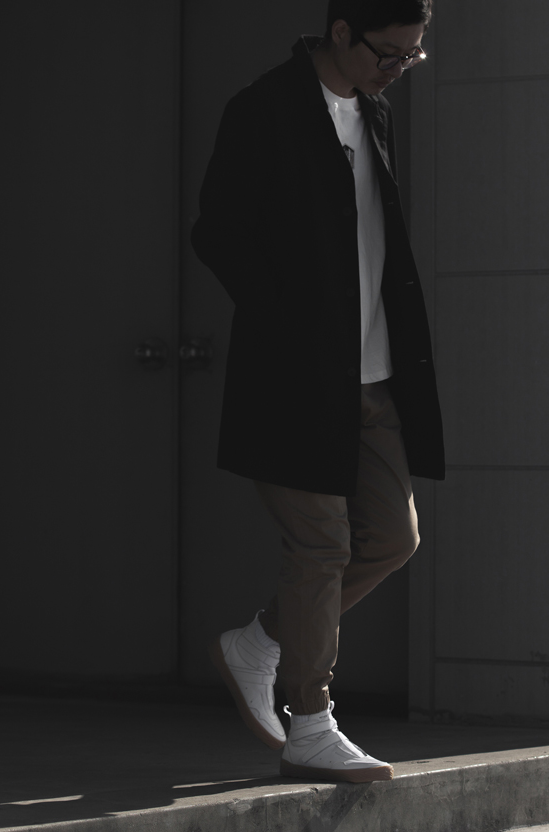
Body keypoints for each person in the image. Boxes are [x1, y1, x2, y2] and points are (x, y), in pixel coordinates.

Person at [191, 0, 443, 784]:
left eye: (412, 57)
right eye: (389, 54)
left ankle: (261, 641)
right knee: (322, 545)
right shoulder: (264, 109)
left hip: (370, 375)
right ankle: (311, 720)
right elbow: (216, 231)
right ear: (340, 32)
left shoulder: (373, 111)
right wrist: (288, 320)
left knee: (392, 536)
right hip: (296, 376)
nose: (398, 69)